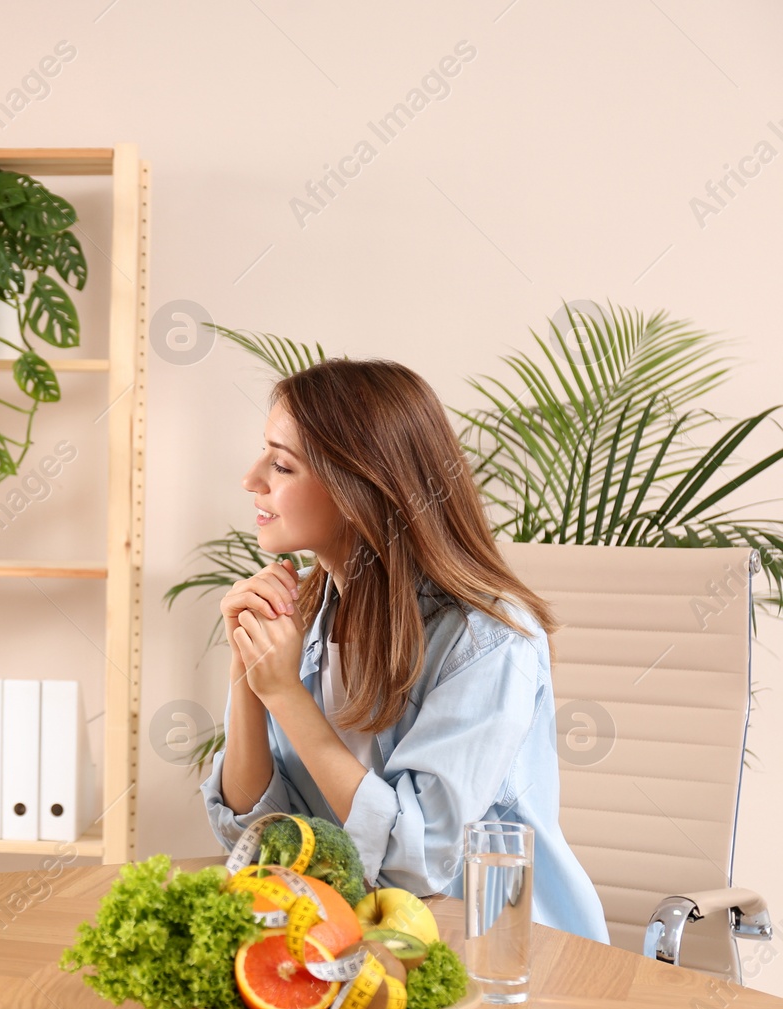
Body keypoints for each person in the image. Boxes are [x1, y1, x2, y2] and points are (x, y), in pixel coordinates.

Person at [200, 358, 609, 943]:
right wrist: (248, 667)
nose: (251, 479)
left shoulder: (487, 640)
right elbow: (259, 835)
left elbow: (419, 860)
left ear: (358, 488)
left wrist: (287, 695)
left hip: (497, 952)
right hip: (357, 943)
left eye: (282, 464)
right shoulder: (310, 613)